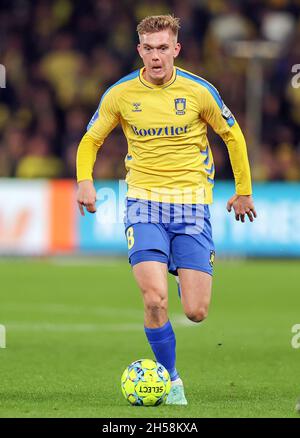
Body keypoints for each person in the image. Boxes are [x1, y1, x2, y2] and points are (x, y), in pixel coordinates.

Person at [76, 15, 257, 405]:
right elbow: (91, 139)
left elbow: (232, 134)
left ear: (176, 49)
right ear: (139, 50)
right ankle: (171, 380)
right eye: (148, 48)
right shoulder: (120, 94)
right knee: (155, 299)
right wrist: (84, 180)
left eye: (163, 48)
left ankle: (181, 272)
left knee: (196, 312)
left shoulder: (198, 91)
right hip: (143, 203)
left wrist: (244, 190)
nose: (155, 56)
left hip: (191, 206)